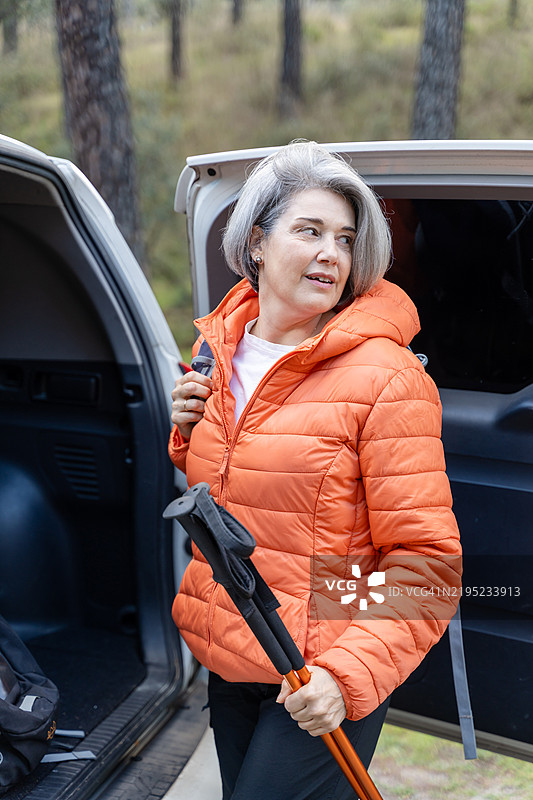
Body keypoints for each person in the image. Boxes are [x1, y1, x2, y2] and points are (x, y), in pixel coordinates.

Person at [168, 141, 461, 800]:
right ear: (255, 245)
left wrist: (344, 674)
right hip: (236, 642)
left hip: (320, 663)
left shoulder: (383, 377)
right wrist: (185, 435)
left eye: (345, 238)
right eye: (309, 230)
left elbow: (424, 563)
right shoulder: (216, 350)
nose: (332, 251)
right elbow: (240, 493)